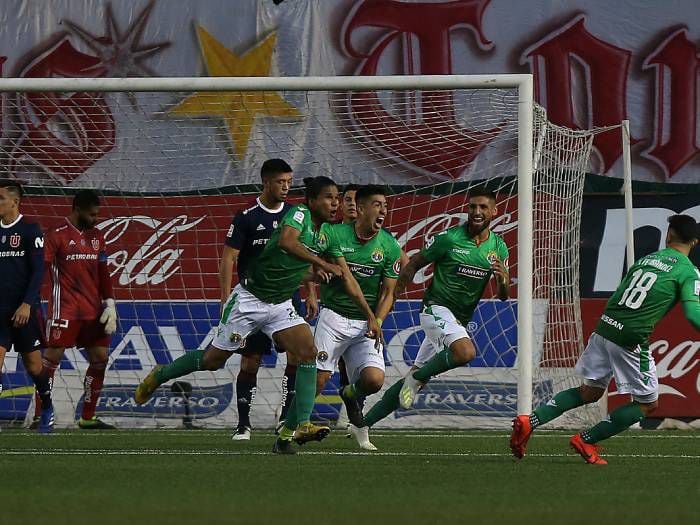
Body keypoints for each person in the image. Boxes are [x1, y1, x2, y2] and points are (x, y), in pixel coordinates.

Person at [135, 176, 381, 454]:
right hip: (250, 301)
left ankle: (298, 427)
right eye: (328, 197)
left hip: (279, 306)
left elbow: (340, 275)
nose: (335, 203)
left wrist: (368, 313)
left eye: (337, 198)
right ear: (311, 201)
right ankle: (160, 374)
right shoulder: (297, 214)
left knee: (308, 352)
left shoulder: (328, 234)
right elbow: (288, 243)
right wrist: (320, 263)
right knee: (212, 360)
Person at [511, 214, 700, 465]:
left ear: (669, 235)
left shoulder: (646, 260)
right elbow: (692, 312)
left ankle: (529, 421)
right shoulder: (689, 271)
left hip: (605, 327)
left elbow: (618, 294)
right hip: (630, 339)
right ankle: (586, 439)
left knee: (589, 391)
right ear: (695, 243)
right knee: (648, 404)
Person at [349, 187, 509, 449]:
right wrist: (394, 296)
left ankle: (362, 423)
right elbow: (413, 264)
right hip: (435, 309)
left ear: (494, 211)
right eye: (472, 207)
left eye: (482, 207)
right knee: (465, 352)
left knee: (410, 390)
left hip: (457, 320)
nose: (476, 212)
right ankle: (417, 376)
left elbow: (503, 295)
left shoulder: (499, 247)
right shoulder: (448, 238)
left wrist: (502, 278)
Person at [218, 159, 316, 440]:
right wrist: (225, 299)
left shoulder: (295, 215)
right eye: (280, 182)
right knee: (250, 360)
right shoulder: (247, 216)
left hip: (286, 297)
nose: (286, 187)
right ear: (266, 182)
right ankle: (244, 423)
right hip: (253, 298)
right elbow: (228, 258)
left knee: (298, 357)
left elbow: (304, 256)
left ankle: (286, 418)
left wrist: (310, 293)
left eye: (289, 182)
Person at [314, 185, 402, 450]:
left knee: (374, 380)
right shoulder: (332, 233)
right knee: (317, 378)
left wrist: (378, 320)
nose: (383, 210)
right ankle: (289, 425)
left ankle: (349, 393)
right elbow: (311, 263)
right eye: (377, 205)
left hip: (366, 324)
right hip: (334, 316)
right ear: (361, 209)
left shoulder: (389, 245)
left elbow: (389, 292)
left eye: (385, 206)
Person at [39, 189, 118, 429]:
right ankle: (41, 415)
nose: (95, 219)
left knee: (100, 358)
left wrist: (110, 302)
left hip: (93, 310)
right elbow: (41, 270)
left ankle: (87, 416)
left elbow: (103, 272)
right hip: (64, 309)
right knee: (52, 357)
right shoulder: (55, 235)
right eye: (92, 214)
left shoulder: (97, 236)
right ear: (77, 209)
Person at [0, 180, 54, 433]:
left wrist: (26, 305)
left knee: (34, 366)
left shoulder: (30, 230)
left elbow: (38, 272)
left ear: (15, 201)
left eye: (0, 198)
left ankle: (47, 405)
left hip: (24, 311)